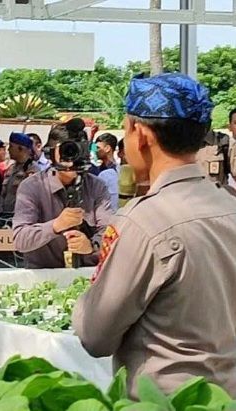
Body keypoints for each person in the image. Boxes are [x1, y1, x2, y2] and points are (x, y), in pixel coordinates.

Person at [74, 73, 236, 397]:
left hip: (167, 400)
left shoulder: (143, 222)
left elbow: (95, 336)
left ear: (141, 134)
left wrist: (83, 305)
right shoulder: (229, 203)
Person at [12, 119, 113, 269]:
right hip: (44, 275)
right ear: (50, 153)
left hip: (86, 274)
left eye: (76, 150)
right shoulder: (32, 187)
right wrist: (55, 226)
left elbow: (109, 230)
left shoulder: (96, 186)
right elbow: (20, 240)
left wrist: (92, 246)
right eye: (66, 150)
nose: (71, 159)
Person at [0, 132, 38, 214]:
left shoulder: (32, 170)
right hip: (4, 216)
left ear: (21, 148)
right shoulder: (10, 169)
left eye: (11, 146)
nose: (8, 150)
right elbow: (3, 194)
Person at [95, 133, 120, 211]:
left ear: (107, 148)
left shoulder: (114, 171)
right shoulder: (97, 169)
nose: (95, 151)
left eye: (98, 148)